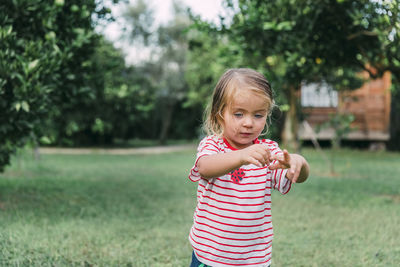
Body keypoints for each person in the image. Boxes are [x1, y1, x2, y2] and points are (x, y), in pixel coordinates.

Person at [188, 68, 310, 267]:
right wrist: (241, 156)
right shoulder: (213, 145)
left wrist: (300, 163)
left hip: (253, 258)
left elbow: (296, 176)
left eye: (258, 115)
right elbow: (205, 167)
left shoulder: (268, 151)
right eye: (238, 114)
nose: (248, 123)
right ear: (220, 115)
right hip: (210, 254)